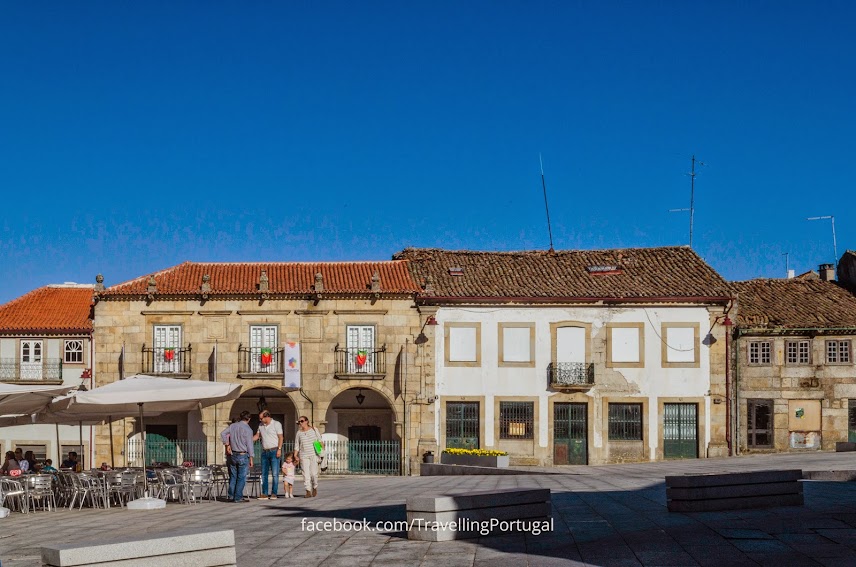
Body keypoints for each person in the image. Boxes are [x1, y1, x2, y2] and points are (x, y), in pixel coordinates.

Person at [224, 410, 254, 503]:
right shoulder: (248, 429)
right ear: (248, 419)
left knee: (233, 476)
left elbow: (223, 433)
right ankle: (238, 497)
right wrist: (251, 457)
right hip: (242, 454)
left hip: (233, 454)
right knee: (241, 477)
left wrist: (227, 444)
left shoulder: (233, 426)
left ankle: (231, 495)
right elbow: (250, 444)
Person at [253, 410, 283, 500]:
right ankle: (264, 493)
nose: (260, 420)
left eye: (261, 418)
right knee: (264, 474)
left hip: (274, 450)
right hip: (264, 451)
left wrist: (279, 449)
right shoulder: (261, 425)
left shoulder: (276, 424)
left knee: (275, 473)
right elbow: (257, 436)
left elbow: (280, 437)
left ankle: (274, 493)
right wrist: (247, 441)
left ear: (267, 417)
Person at [294, 415, 323, 498]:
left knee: (313, 474)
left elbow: (320, 441)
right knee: (305, 474)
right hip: (304, 455)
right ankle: (308, 490)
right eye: (299, 422)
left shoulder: (314, 430)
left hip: (314, 454)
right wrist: (295, 455)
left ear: (307, 421)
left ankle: (315, 487)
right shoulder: (299, 433)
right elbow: (297, 444)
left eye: (302, 421)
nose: (300, 423)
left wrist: (322, 452)